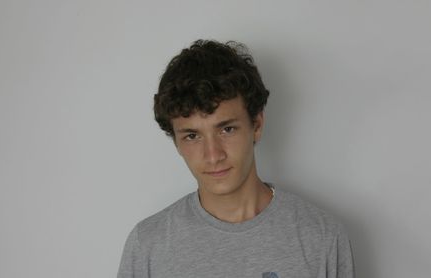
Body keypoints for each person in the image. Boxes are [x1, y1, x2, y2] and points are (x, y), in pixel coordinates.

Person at [117, 40, 355, 278]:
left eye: (227, 129)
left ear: (257, 125)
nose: (213, 155)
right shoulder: (148, 246)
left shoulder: (322, 237)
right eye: (192, 135)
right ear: (176, 142)